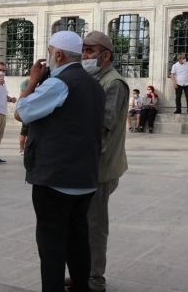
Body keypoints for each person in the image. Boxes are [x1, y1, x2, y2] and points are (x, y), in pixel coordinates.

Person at [15, 31, 105, 292]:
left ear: (58, 55)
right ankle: (81, 287)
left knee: (51, 243)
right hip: (85, 178)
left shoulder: (58, 84)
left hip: (55, 179)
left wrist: (33, 81)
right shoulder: (94, 85)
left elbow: (21, 113)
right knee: (78, 240)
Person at [81, 30, 130, 292]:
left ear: (105, 55)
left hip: (101, 167)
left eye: (89, 51)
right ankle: (83, 274)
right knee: (82, 225)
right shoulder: (93, 79)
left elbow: (104, 125)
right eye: (83, 51)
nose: (84, 56)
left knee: (95, 226)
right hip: (86, 165)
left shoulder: (114, 83)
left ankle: (95, 280)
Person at [18, 78, 30, 156]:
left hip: (26, 111)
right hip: (28, 111)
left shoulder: (25, 82)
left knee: (25, 133)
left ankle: (22, 149)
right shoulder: (26, 82)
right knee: (26, 133)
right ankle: (23, 149)